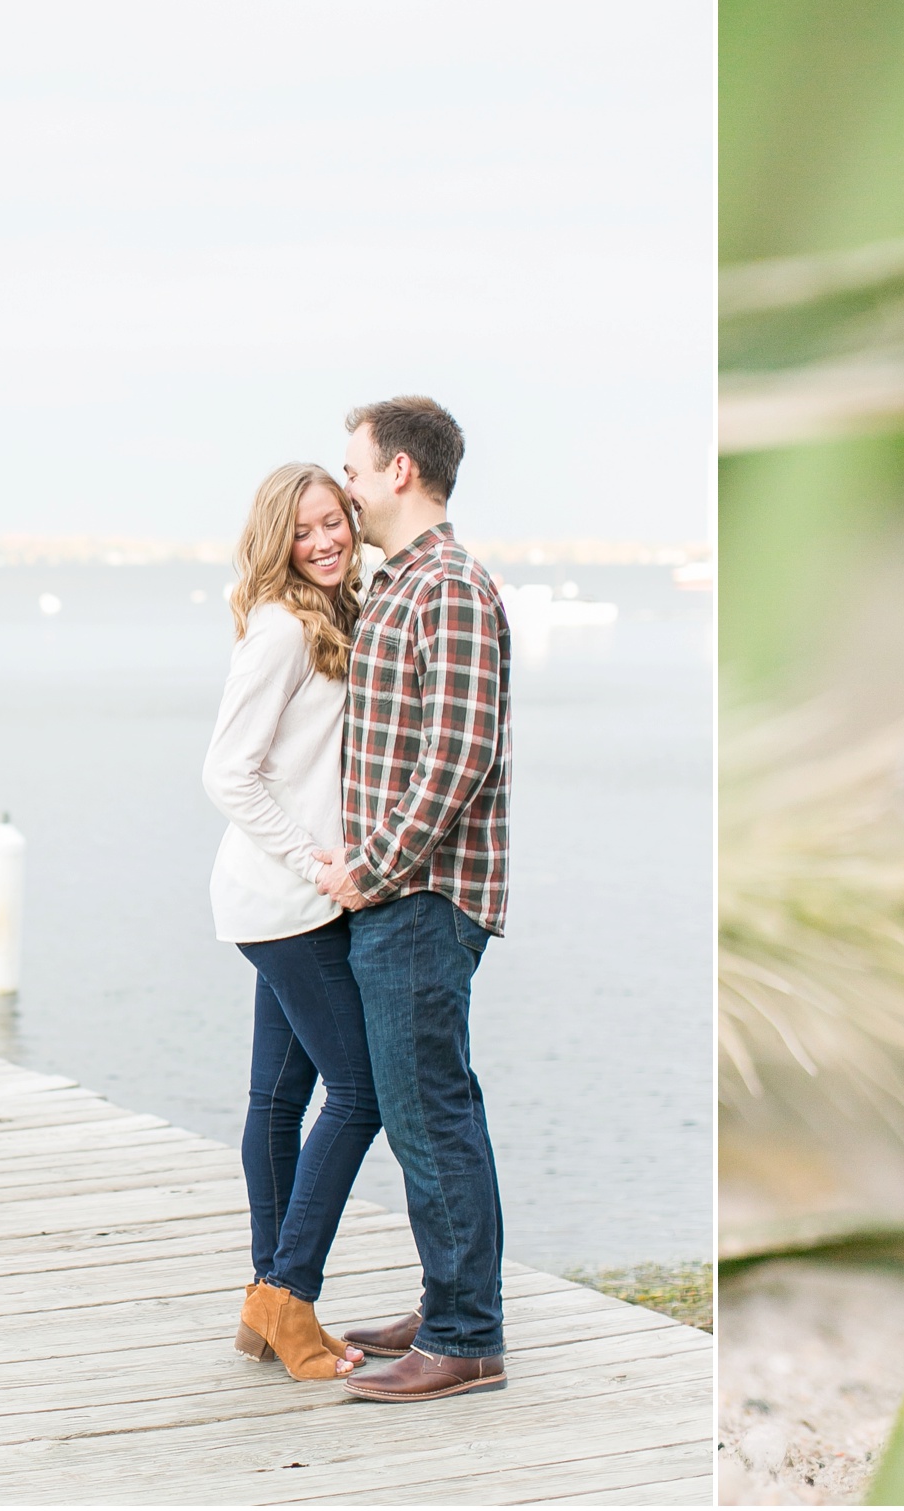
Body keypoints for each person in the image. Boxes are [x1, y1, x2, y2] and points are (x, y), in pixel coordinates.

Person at [315, 396, 515, 1403]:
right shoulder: (401, 583)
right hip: (399, 893)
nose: (344, 487)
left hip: (424, 895)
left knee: (430, 1112)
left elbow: (459, 752)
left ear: (398, 470)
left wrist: (370, 864)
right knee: (426, 1107)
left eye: (352, 469)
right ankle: (450, 1302)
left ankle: (466, 1334)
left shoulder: (449, 586)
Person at [204, 462, 376, 1381]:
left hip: (290, 901)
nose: (325, 540)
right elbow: (227, 773)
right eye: (306, 529)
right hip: (286, 902)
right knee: (361, 1092)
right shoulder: (276, 631)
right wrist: (314, 856)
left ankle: (265, 1302)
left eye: (337, 521)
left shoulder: (335, 613)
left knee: (277, 1100)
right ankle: (289, 1291)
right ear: (279, 538)